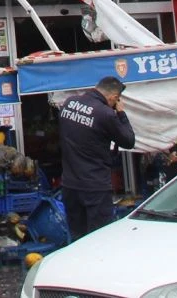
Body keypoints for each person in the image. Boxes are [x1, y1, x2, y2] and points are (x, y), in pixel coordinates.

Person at [56, 76, 135, 240]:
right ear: (113, 97)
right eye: (117, 100)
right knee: (99, 239)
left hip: (70, 185)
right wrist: (121, 113)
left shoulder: (70, 103)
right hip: (95, 186)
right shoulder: (105, 113)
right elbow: (128, 141)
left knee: (78, 238)